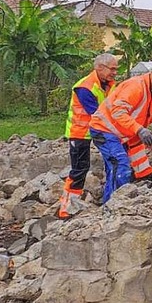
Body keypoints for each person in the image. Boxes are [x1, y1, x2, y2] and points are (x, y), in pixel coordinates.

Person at [89, 63, 152, 203]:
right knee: (120, 165)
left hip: (121, 133)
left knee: (116, 167)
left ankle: (109, 202)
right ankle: (113, 205)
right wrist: (139, 130)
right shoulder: (136, 86)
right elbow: (118, 112)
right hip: (104, 129)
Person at [58, 53, 118, 219]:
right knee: (79, 169)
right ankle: (66, 208)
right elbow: (98, 114)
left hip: (97, 130)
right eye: (112, 69)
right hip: (80, 133)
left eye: (116, 69)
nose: (115, 72)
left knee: (111, 162)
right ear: (99, 68)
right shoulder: (85, 87)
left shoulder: (109, 84)